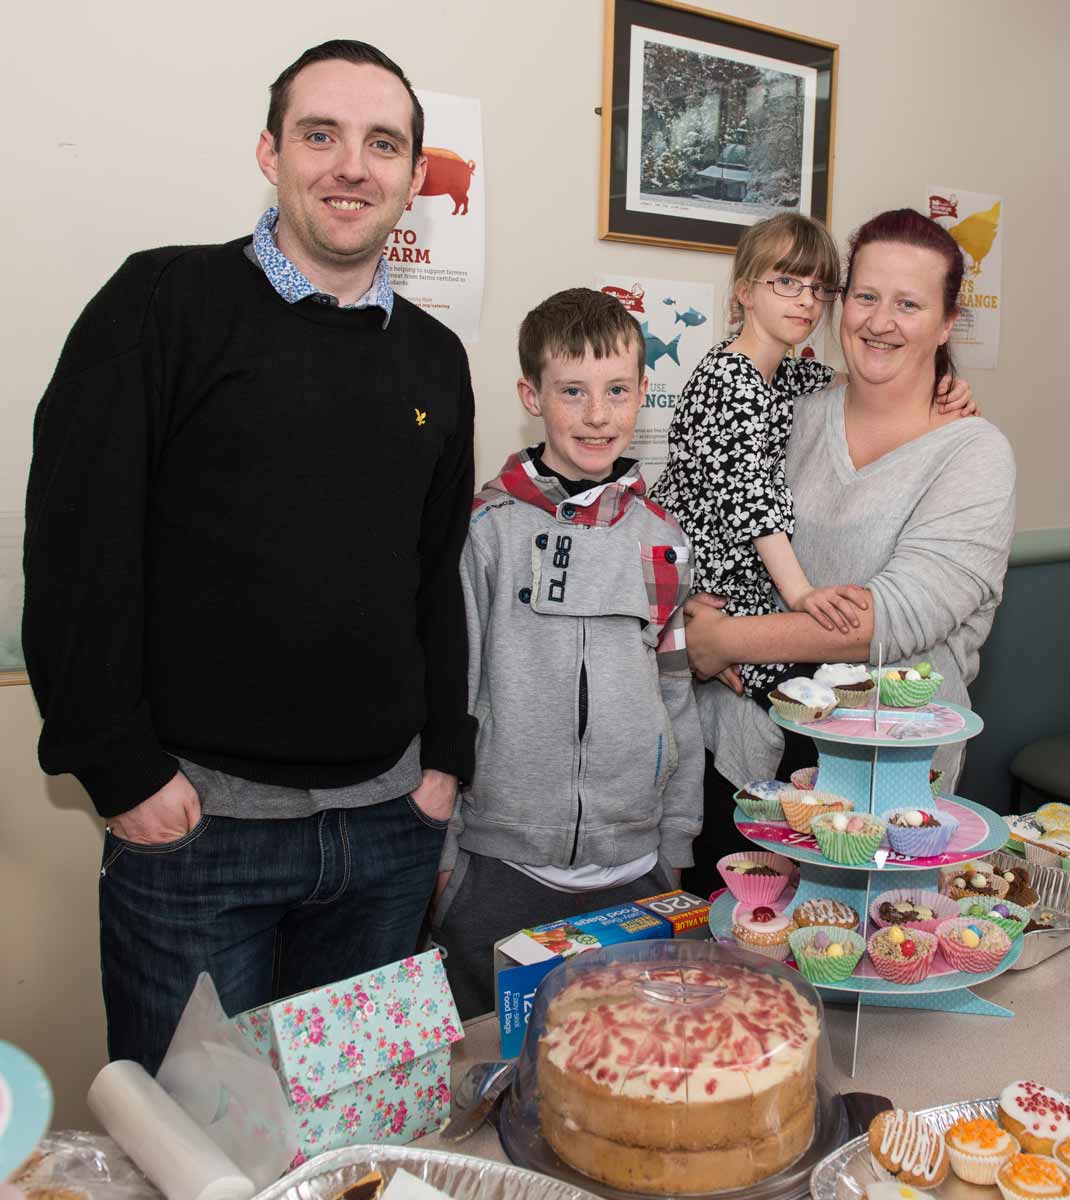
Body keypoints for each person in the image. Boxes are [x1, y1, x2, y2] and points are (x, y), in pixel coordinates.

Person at [22, 41, 477, 1072]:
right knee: (196, 1154)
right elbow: (76, 551)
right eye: (321, 135)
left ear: (413, 178)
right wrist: (120, 767)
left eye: (382, 144)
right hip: (197, 837)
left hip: (386, 834)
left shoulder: (435, 359)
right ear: (270, 152)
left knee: (354, 1141)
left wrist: (446, 760)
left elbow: (431, 575)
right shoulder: (158, 304)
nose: (351, 166)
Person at [679, 210, 1016, 896]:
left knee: (874, 967)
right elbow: (712, 508)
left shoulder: (974, 454)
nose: (880, 321)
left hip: (885, 788)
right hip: (751, 761)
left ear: (949, 322)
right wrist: (690, 609)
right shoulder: (790, 409)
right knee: (741, 967)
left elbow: (883, 621)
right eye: (865, 296)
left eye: (909, 304)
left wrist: (718, 643)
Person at [430, 288, 703, 1019]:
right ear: (532, 395)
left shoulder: (663, 541)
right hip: (499, 868)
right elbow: (451, 695)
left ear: (644, 392)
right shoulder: (486, 532)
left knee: (625, 1068)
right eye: (572, 391)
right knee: (494, 1077)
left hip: (636, 870)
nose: (597, 414)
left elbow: (676, 698)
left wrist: (676, 839)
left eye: (617, 391)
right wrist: (447, 859)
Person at [651, 213, 975, 704]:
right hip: (708, 568)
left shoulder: (785, 375)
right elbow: (753, 504)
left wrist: (946, 388)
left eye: (819, 288)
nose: (806, 300)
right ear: (744, 291)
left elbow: (852, 379)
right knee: (801, 696)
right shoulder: (729, 379)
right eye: (785, 282)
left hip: (736, 577)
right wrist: (801, 596)